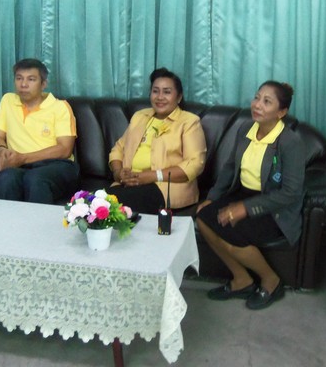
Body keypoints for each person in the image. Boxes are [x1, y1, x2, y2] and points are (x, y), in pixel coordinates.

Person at [196, 81, 305, 310]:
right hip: (242, 194)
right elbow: (229, 167)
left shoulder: (290, 142)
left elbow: (290, 192)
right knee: (203, 218)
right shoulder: (246, 128)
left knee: (233, 232)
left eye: (267, 102)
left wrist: (246, 208)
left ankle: (271, 280)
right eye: (257, 98)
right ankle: (241, 280)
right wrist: (212, 198)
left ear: (281, 112)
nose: (257, 105)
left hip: (275, 206)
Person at [107, 67, 206, 214]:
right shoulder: (140, 116)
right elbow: (118, 149)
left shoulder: (189, 122)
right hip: (128, 184)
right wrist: (118, 173)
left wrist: (151, 176)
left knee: (106, 205)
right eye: (155, 91)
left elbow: (194, 164)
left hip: (165, 187)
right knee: (92, 202)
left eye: (167, 92)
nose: (160, 97)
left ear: (179, 97)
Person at [0, 58, 79, 204]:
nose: (23, 84)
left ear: (43, 84)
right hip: (18, 166)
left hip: (56, 165)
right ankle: (5, 219)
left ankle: (38, 220)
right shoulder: (7, 101)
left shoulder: (60, 107)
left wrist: (23, 158)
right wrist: (2, 151)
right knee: (5, 179)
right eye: (19, 78)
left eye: (31, 79)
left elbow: (64, 149)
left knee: (35, 179)